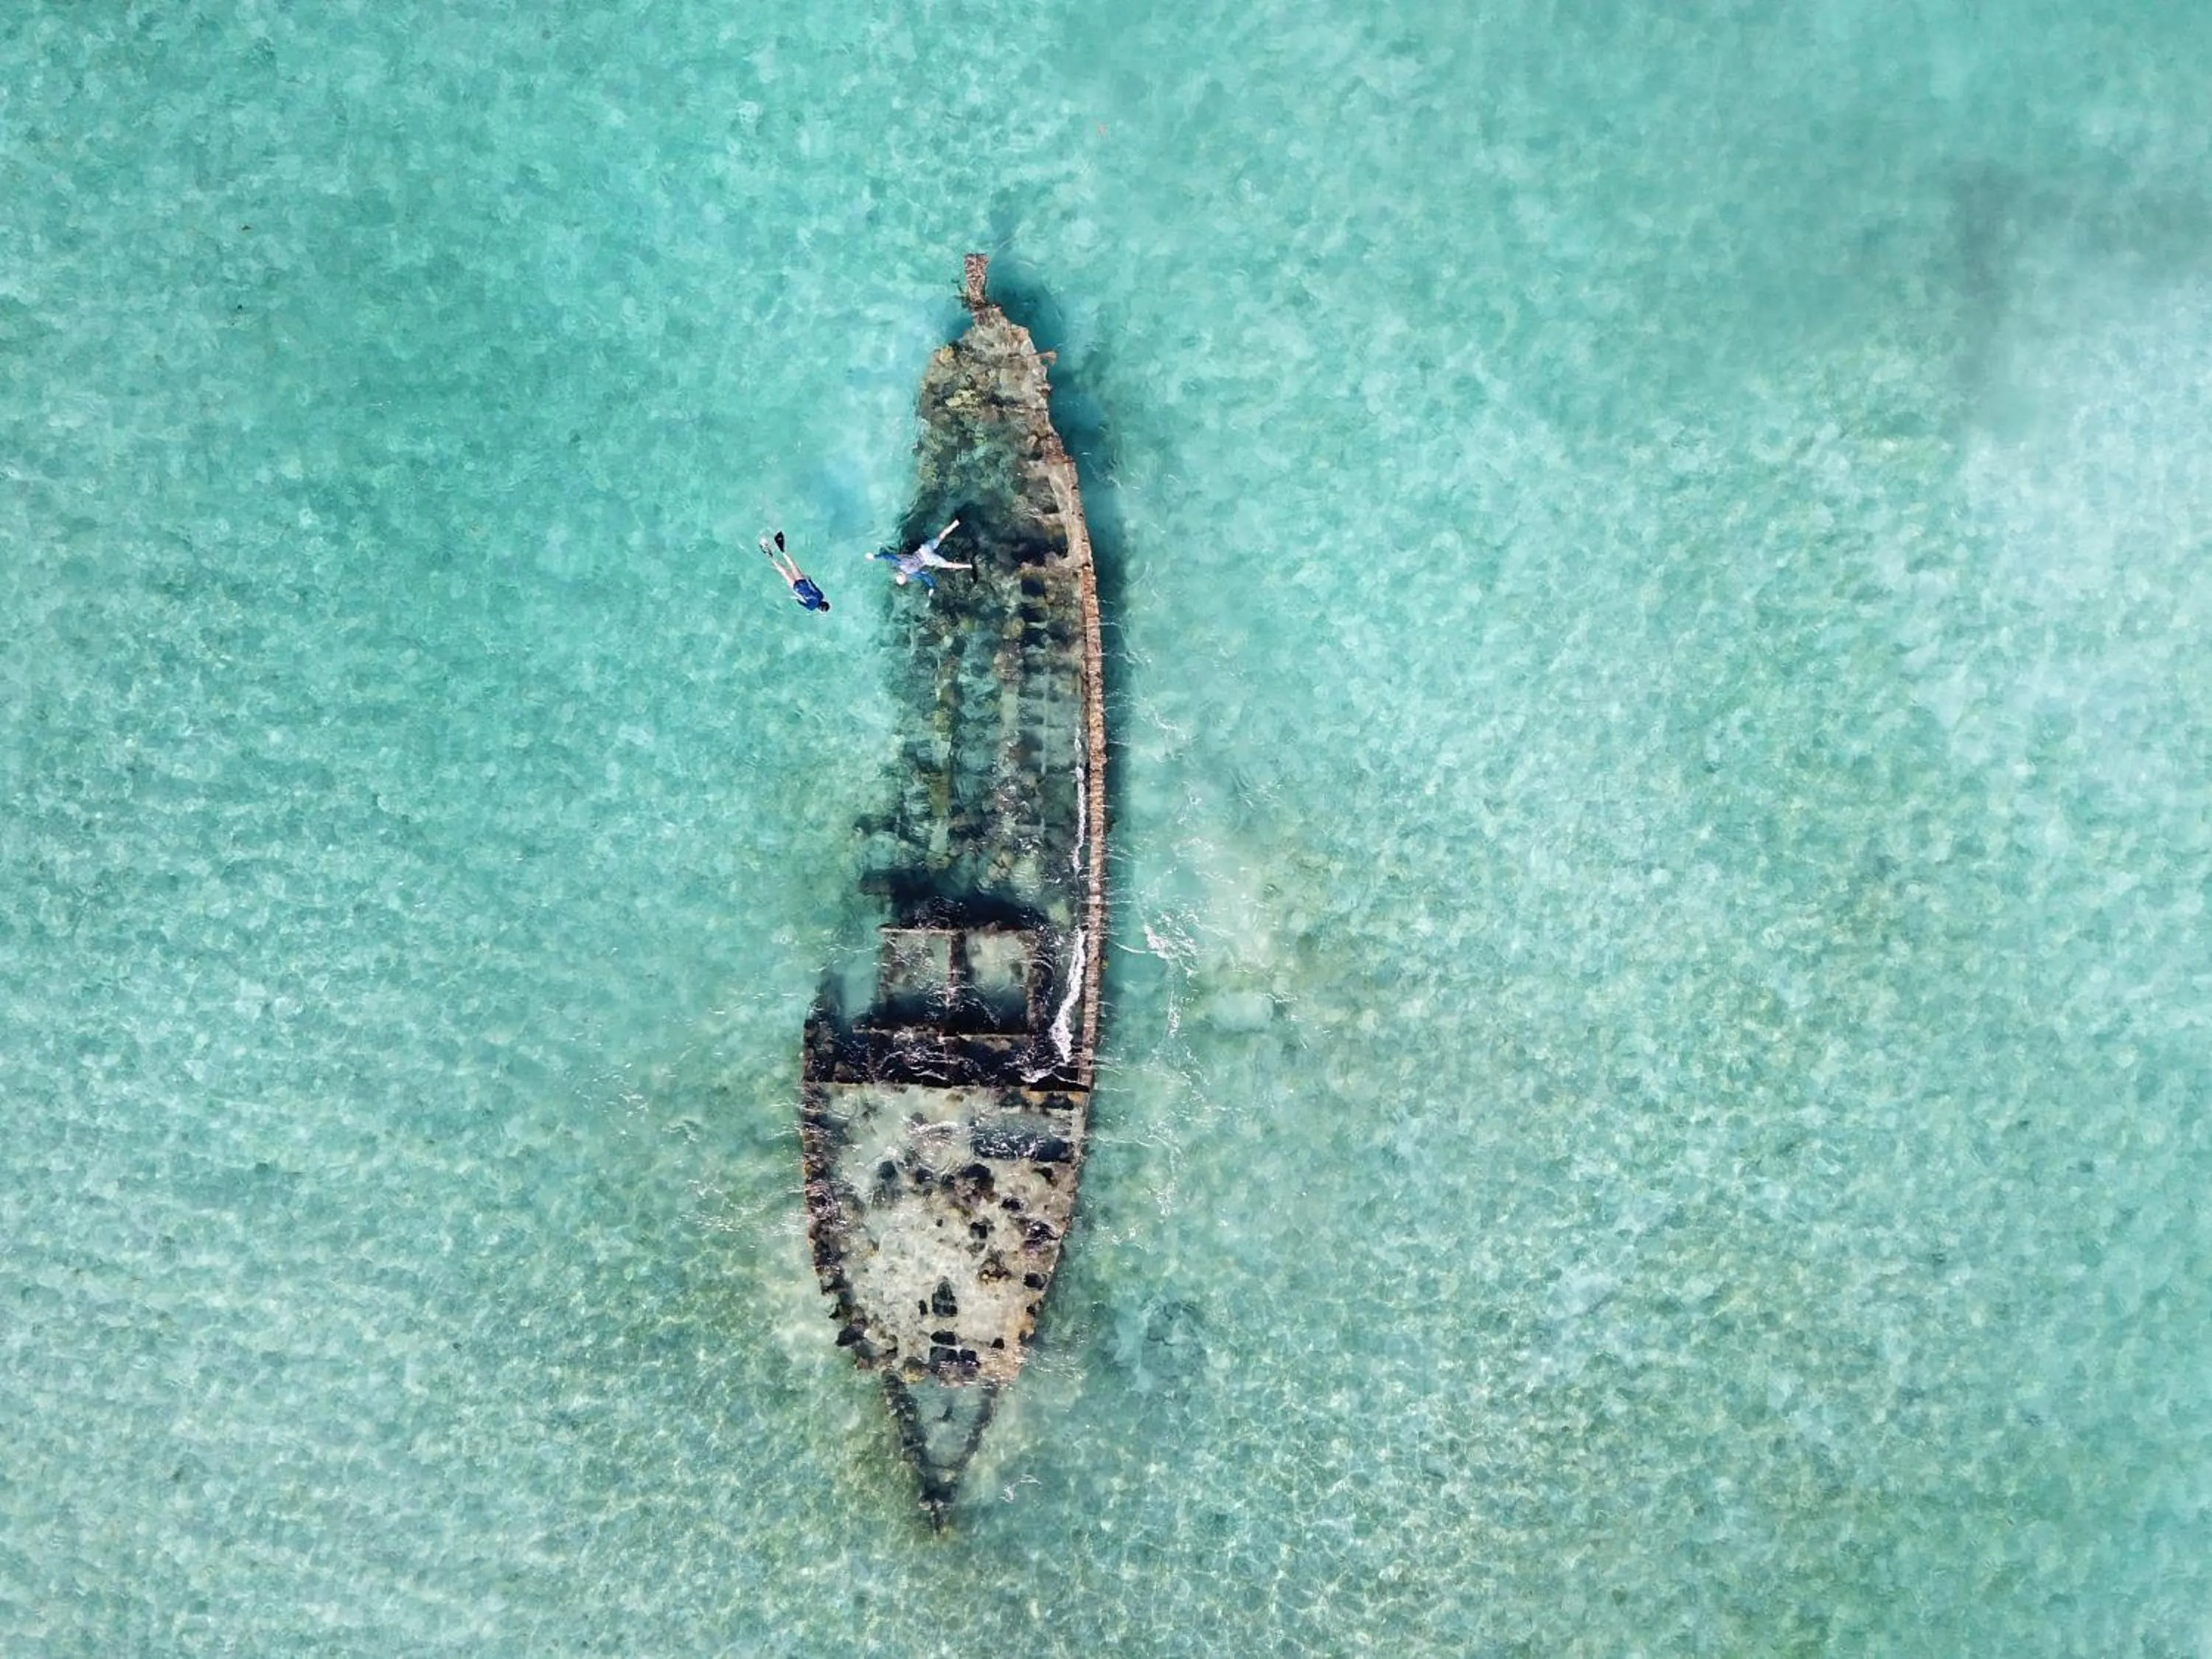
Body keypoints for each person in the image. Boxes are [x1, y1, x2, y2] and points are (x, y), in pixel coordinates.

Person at [871, 518, 972, 590]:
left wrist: (932, 588)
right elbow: (889, 557)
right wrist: (875, 557)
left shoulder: (914, 574)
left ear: (906, 579)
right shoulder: (900, 563)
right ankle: (955, 523)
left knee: (949, 565)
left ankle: (969, 566)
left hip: (928, 560)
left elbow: (926, 578)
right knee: (941, 537)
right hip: (923, 550)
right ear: (899, 573)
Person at [759, 529, 830, 613]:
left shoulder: (821, 596)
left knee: (793, 565)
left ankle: (782, 550)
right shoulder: (811, 608)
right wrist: (796, 596)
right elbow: (800, 602)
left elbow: (814, 587)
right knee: (784, 572)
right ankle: (770, 555)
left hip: (803, 583)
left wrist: (809, 579)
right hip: (797, 589)